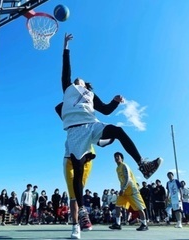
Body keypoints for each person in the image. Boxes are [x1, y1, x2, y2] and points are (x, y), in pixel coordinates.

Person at [56, 32, 162, 237]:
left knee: (118, 130)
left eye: (82, 79)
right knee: (78, 172)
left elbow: (104, 110)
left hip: (92, 124)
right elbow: (65, 71)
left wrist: (114, 101)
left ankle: (143, 164)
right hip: (75, 132)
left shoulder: (89, 94)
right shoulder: (68, 89)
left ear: (85, 84)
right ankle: (78, 222)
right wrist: (66, 47)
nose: (78, 78)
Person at [109, 152, 148, 231]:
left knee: (139, 207)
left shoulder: (124, 166)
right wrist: (122, 189)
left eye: (118, 156)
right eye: (115, 157)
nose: (116, 158)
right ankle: (118, 224)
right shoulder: (117, 168)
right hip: (124, 191)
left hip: (131, 189)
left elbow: (128, 179)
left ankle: (144, 224)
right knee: (117, 206)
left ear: (122, 158)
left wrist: (123, 188)